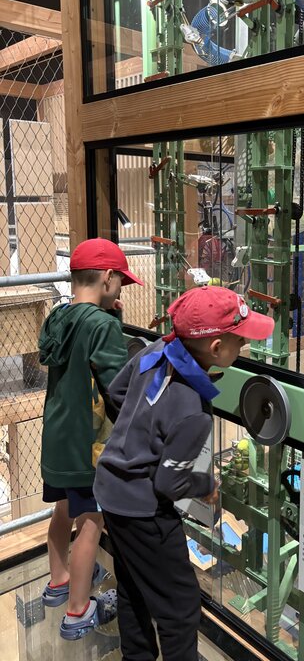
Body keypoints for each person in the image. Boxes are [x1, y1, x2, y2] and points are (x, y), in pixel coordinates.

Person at [94, 285, 274, 661]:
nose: (242, 347)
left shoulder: (156, 351)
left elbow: (117, 391)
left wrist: (142, 428)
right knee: (180, 608)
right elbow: (169, 483)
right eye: (238, 341)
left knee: (132, 587)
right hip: (143, 510)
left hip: (110, 488)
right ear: (215, 349)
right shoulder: (194, 409)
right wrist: (206, 484)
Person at [39, 238, 143, 641]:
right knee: (91, 522)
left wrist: (108, 317)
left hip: (57, 439)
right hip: (88, 446)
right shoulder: (101, 325)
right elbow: (118, 381)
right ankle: (79, 611)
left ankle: (59, 580)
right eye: (120, 283)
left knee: (63, 510)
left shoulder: (58, 317)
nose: (120, 290)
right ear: (107, 277)